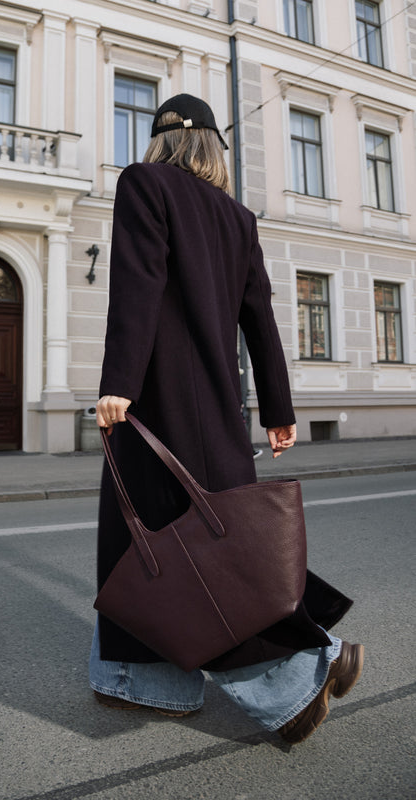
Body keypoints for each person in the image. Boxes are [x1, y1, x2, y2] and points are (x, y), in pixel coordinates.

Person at [90, 94, 363, 744]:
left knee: (173, 559)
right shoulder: (238, 217)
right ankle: (148, 679)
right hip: (217, 410)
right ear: (214, 148)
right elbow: (260, 320)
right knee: (225, 549)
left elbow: (138, 282)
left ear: (160, 143)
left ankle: (300, 678)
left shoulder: (142, 183)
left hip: (155, 407)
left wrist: (118, 384)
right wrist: (278, 411)